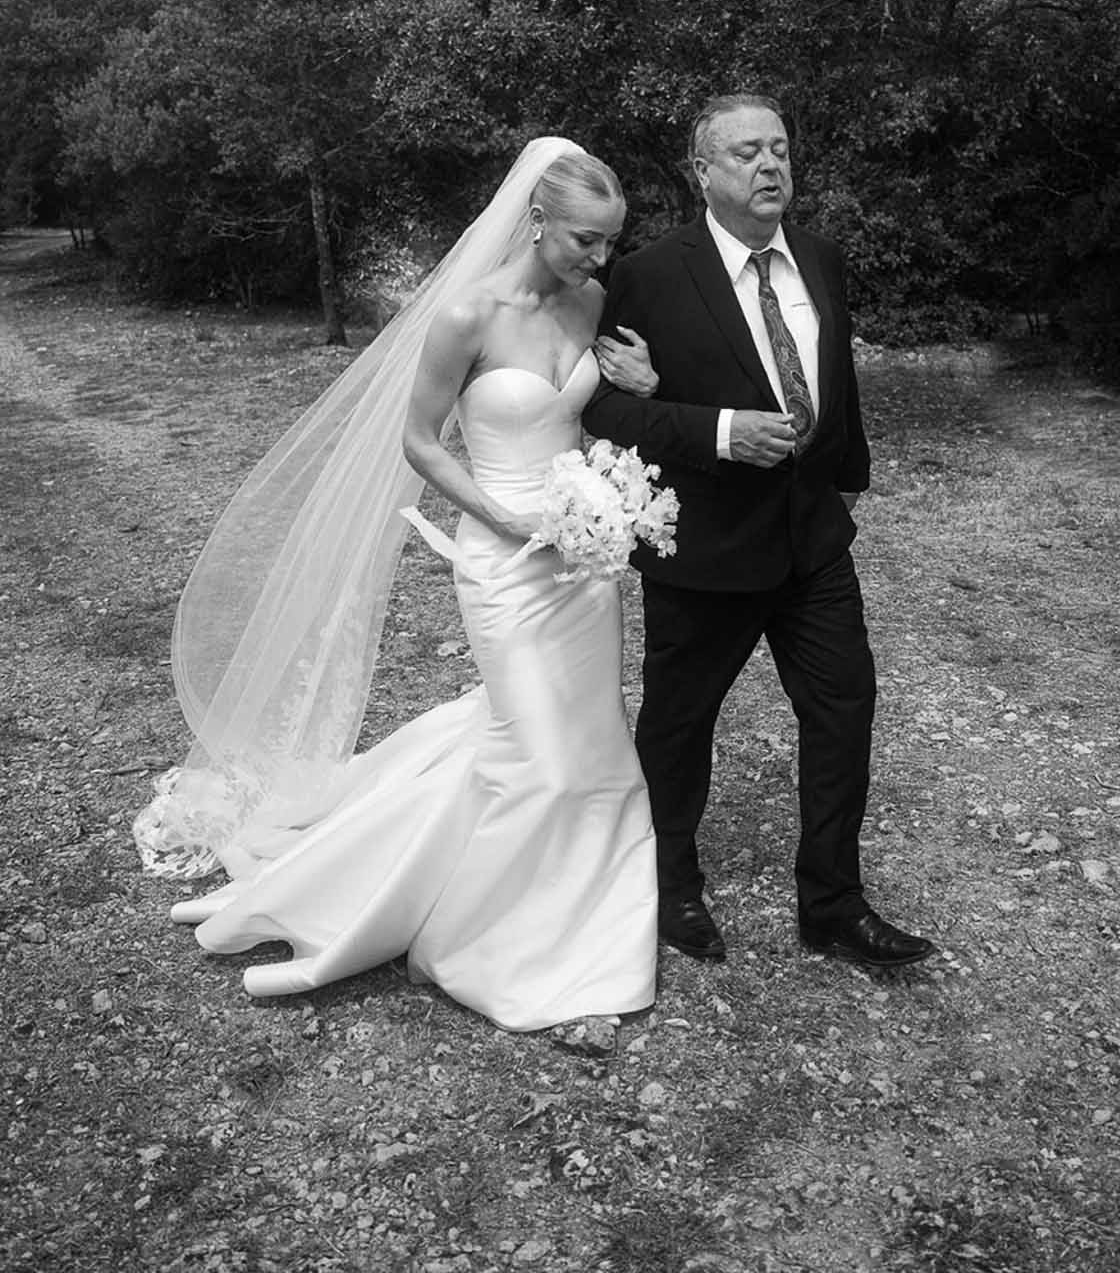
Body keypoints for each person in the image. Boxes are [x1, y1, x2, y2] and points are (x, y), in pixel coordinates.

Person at [135, 139, 659, 1032]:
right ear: (537, 221)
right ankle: (488, 943)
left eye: (610, 241)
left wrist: (639, 402)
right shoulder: (467, 314)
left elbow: (596, 415)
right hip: (500, 561)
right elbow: (419, 441)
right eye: (586, 239)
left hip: (579, 562)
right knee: (538, 752)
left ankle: (581, 924)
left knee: (593, 744)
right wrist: (499, 515)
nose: (600, 257)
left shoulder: (593, 303)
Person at [585, 94, 934, 971]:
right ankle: (669, 886)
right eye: (746, 152)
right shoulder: (651, 275)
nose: (770, 164)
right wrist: (717, 431)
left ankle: (833, 904)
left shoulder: (820, 258)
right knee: (679, 725)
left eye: (779, 148)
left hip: (812, 544)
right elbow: (605, 410)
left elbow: (835, 379)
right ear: (702, 172)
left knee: (844, 711)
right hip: (703, 548)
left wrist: (845, 481)